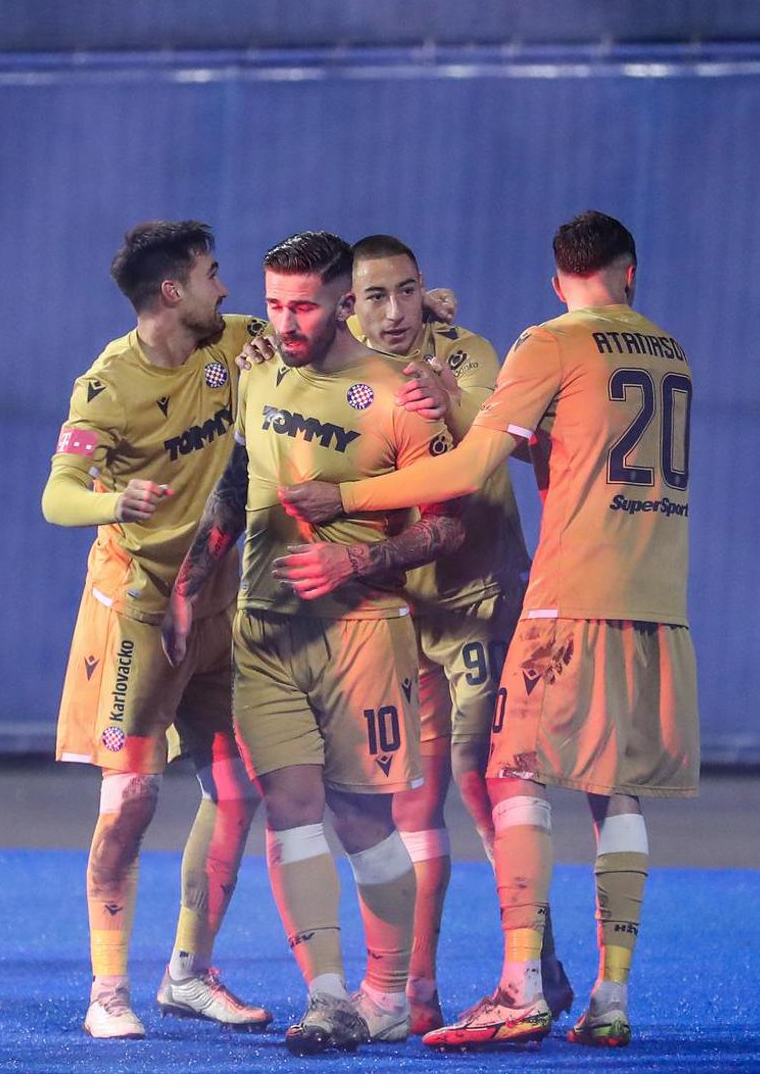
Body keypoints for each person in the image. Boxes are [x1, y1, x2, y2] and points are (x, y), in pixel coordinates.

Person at [281, 211, 696, 1050]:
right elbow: (550, 444)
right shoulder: (670, 352)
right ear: (631, 273)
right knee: (613, 788)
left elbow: (476, 463)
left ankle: (521, 984)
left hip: (556, 598)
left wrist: (348, 499)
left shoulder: (540, 343)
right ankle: (607, 997)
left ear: (556, 280)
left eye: (408, 292)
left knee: (511, 774)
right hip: (655, 600)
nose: (396, 308)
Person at [167, 230, 465, 1055]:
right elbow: (237, 482)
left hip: (363, 635)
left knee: (362, 817)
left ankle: (388, 994)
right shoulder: (259, 370)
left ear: (344, 301)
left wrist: (357, 557)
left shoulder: (401, 393)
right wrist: (190, 588)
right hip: (264, 633)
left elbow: (447, 527)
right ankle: (328, 997)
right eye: (274, 305)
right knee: (291, 811)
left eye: (303, 305)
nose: (285, 322)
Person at [333, 234, 571, 1032]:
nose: (396, 310)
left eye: (408, 290)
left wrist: (457, 402)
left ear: (425, 287)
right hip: (401, 614)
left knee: (481, 778)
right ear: (349, 304)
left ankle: (532, 966)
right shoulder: (335, 369)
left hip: (480, 598)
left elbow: (496, 449)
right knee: (413, 799)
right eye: (376, 296)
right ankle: (419, 990)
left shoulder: (467, 353)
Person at [42, 220, 273, 1039]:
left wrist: (426, 317)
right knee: (132, 800)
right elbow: (57, 496)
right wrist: (115, 501)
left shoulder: (233, 341)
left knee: (238, 792)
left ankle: (188, 974)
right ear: (173, 291)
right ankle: (107, 992)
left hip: (216, 604)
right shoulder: (107, 386)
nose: (226, 289)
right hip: (140, 614)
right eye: (213, 273)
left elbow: (326, 323)